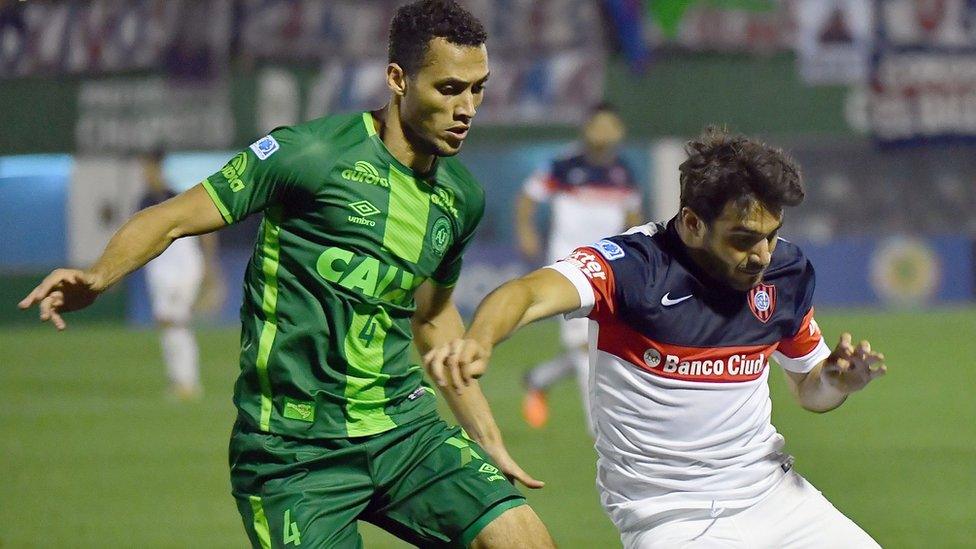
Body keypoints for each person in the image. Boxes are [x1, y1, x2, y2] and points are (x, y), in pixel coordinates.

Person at [19, 2, 554, 547]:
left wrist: (484, 433)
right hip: (293, 453)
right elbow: (173, 217)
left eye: (478, 88)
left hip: (403, 432)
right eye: (449, 89)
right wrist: (99, 276)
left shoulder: (460, 197)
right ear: (397, 79)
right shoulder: (309, 154)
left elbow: (434, 316)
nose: (468, 107)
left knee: (526, 540)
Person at [425, 128, 887, 548]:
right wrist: (479, 339)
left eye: (771, 236)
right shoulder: (632, 267)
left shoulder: (786, 273)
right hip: (671, 519)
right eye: (744, 239)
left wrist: (837, 380)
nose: (761, 256)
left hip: (775, 496)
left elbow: (810, 389)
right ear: (691, 224)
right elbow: (526, 293)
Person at [515, 102, 642, 430]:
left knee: (600, 343)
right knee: (585, 347)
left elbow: (632, 218)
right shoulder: (562, 165)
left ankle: (539, 379)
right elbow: (527, 199)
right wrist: (526, 230)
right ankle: (598, 427)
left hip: (611, 268)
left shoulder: (624, 173)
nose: (603, 132)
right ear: (587, 128)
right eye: (597, 124)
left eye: (609, 125)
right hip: (569, 267)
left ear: (619, 131)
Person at [138, 151, 224, 400]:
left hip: (183, 267)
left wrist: (210, 267)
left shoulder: (175, 196)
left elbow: (207, 231)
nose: (145, 174)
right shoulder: (144, 200)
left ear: (158, 170)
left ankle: (188, 382)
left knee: (175, 321)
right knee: (168, 323)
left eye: (148, 169)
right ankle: (180, 381)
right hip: (159, 269)